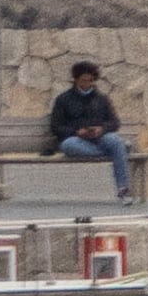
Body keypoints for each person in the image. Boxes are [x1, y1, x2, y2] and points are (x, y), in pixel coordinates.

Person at [50, 60, 135, 203]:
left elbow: (114, 122)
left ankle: (123, 188)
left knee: (114, 140)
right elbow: (56, 127)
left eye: (91, 81)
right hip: (77, 139)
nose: (87, 84)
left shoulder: (102, 99)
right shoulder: (63, 99)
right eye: (84, 80)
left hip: (100, 137)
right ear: (76, 79)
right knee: (68, 146)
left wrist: (102, 129)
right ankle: (118, 150)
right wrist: (77, 132)